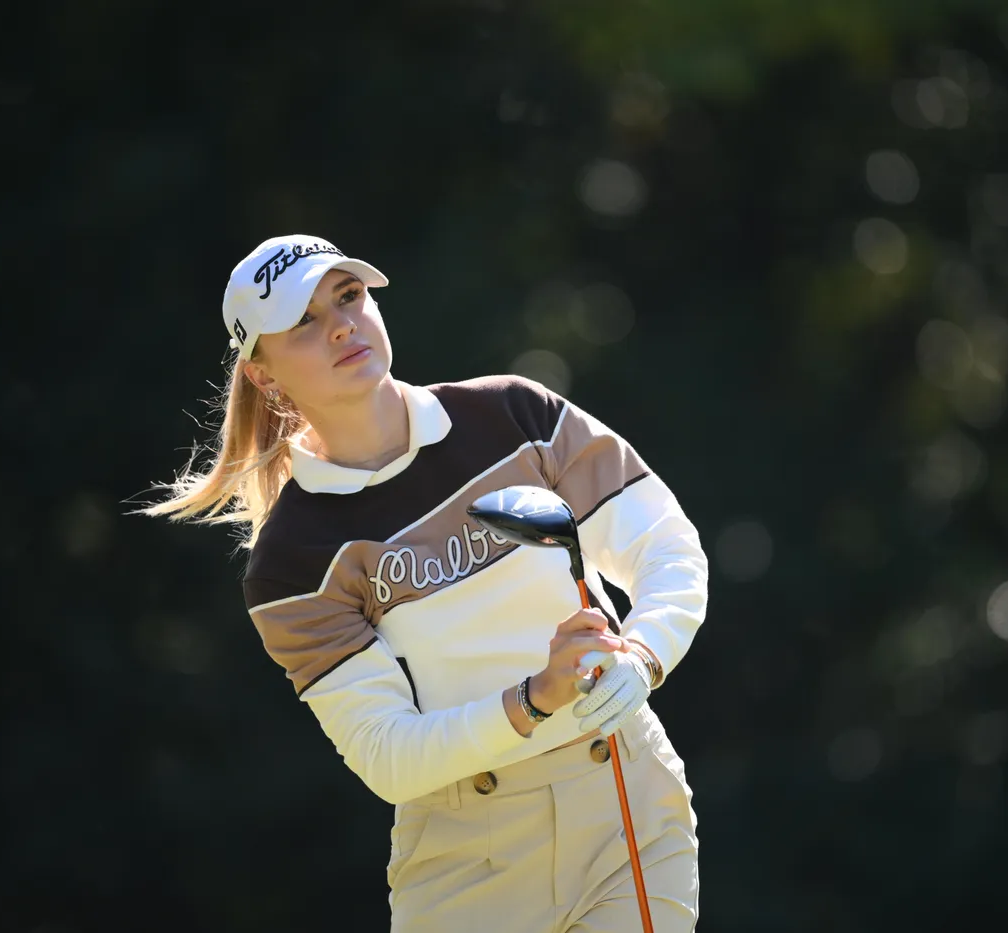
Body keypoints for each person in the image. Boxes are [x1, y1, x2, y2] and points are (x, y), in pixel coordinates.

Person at [142, 234, 710, 932]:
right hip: (465, 862)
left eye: (348, 296)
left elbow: (667, 550)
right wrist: (534, 698)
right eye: (303, 323)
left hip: (624, 803)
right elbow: (389, 756)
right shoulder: (291, 561)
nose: (342, 326)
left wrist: (643, 654)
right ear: (263, 376)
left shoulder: (515, 415)